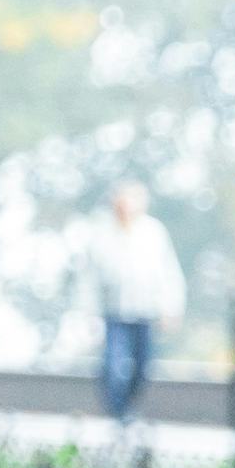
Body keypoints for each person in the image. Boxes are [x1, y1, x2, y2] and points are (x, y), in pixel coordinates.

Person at [71, 180, 184, 423]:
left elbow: (168, 273)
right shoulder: (101, 236)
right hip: (115, 314)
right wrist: (89, 315)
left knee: (143, 368)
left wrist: (170, 308)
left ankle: (129, 407)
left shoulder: (154, 233)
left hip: (145, 312)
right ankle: (118, 413)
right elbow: (90, 281)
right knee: (114, 367)